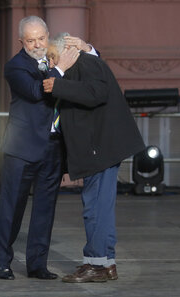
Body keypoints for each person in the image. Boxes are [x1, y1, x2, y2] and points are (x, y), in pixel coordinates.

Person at [0, 16, 97, 280]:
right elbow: (37, 91)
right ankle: (2, 262)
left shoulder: (55, 58)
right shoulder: (15, 66)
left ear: (48, 35)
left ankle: (37, 265)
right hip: (22, 150)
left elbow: (87, 75)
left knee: (45, 209)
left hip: (53, 148)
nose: (37, 44)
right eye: (30, 40)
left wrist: (85, 50)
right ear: (21, 41)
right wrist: (59, 68)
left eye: (41, 38)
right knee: (11, 208)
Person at [43, 33, 145, 282]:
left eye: (52, 57)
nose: (50, 64)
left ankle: (96, 264)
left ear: (67, 51)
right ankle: (106, 263)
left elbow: (96, 93)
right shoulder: (88, 62)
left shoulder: (86, 64)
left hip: (100, 148)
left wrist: (59, 85)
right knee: (101, 208)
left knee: (95, 209)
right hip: (101, 148)